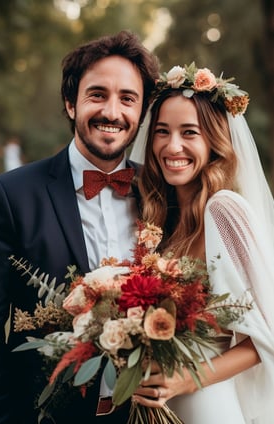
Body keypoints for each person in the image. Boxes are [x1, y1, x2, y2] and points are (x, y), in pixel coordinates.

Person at [0, 30, 160, 424]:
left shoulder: (164, 195)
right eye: (97, 94)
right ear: (70, 103)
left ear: (142, 112)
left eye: (128, 98)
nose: (112, 111)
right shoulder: (11, 196)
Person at [130, 64, 274, 423]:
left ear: (213, 140)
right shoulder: (164, 218)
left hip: (208, 405)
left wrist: (186, 380)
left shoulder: (223, 210)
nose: (172, 145)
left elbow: (266, 336)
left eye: (189, 132)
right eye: (162, 131)